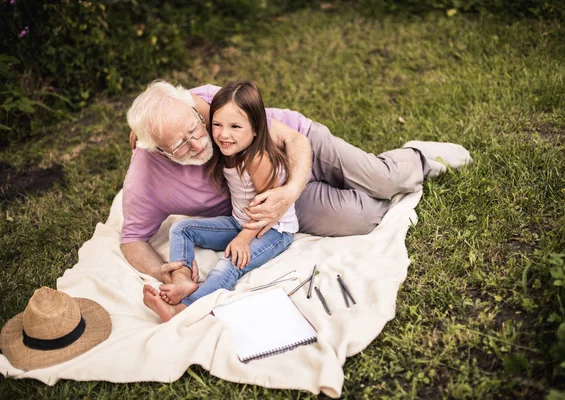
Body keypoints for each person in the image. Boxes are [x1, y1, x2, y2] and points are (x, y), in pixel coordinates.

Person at [123, 80, 431, 297]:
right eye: (179, 145)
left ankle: (421, 157)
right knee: (363, 218)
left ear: (192, 109)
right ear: (155, 148)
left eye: (195, 129)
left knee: (383, 179)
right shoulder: (145, 175)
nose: (199, 143)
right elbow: (132, 239)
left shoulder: (209, 106)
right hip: (266, 201)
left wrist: (291, 190)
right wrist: (161, 269)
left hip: (297, 148)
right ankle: (358, 187)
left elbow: (293, 141)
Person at [143, 81, 299, 322]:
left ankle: (183, 309)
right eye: (217, 124)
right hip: (240, 222)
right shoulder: (226, 145)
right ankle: (183, 280)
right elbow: (183, 105)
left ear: (256, 128)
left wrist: (242, 239)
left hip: (273, 230)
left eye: (235, 126)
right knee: (182, 228)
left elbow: (268, 210)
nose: (224, 134)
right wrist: (143, 128)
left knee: (229, 264)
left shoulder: (257, 159)